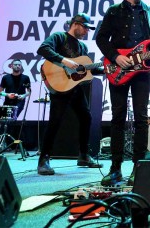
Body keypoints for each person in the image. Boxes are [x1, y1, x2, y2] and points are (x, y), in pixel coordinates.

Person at [96, 0, 150, 186]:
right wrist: (116, 56)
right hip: (119, 68)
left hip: (143, 71)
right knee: (118, 117)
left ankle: (138, 166)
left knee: (141, 118)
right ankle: (115, 168)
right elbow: (100, 38)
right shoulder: (114, 11)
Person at [36, 13, 104, 175]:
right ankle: (43, 159)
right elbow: (43, 49)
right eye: (86, 27)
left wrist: (108, 69)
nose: (87, 31)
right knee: (55, 121)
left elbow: (86, 69)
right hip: (59, 85)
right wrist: (64, 61)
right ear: (76, 24)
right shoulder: (59, 37)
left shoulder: (82, 47)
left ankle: (83, 155)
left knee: (86, 117)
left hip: (75, 87)